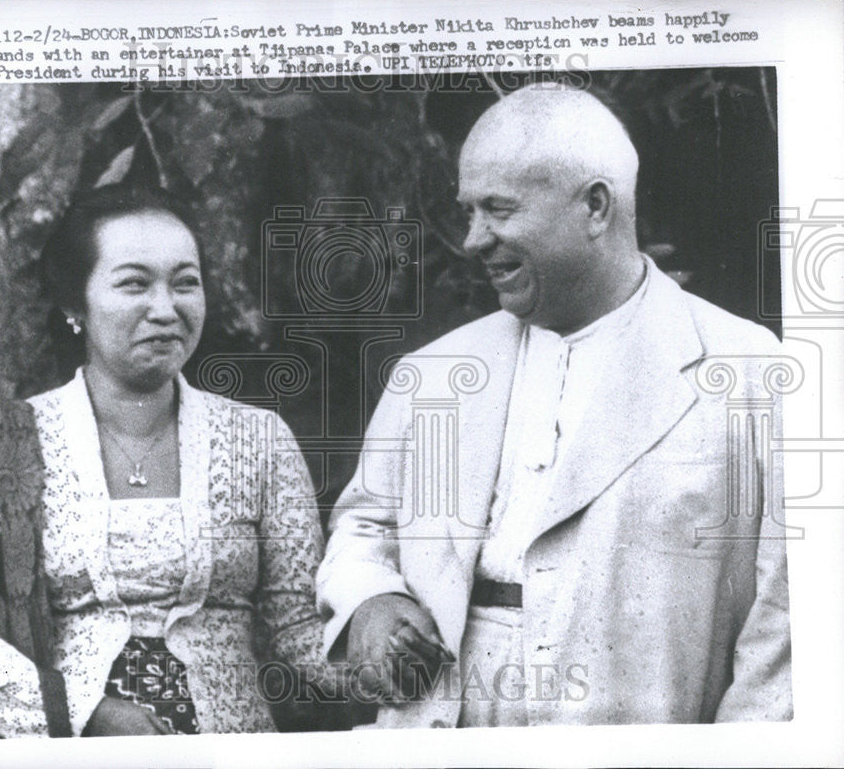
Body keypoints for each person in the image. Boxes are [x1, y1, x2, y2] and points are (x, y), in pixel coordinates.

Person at [316, 84, 792, 727]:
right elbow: (362, 527)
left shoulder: (748, 372)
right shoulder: (431, 374)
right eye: (469, 212)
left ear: (596, 206)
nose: (473, 239)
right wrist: (369, 599)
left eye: (498, 210)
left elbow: (785, 621)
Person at [0, 184, 330, 737]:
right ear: (74, 305)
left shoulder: (259, 438)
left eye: (185, 283)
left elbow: (299, 633)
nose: (165, 308)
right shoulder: (5, 440)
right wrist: (82, 713)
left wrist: (380, 649)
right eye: (134, 284)